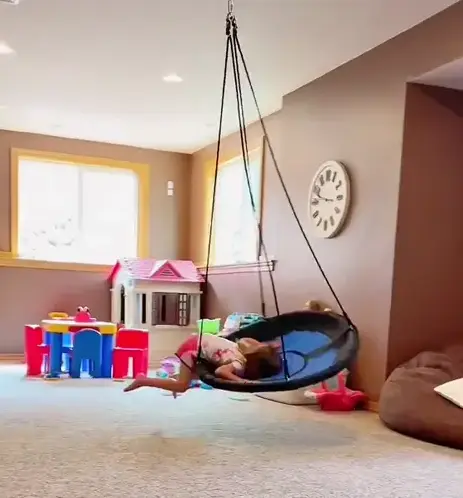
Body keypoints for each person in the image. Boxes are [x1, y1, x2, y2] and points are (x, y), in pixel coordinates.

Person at [123, 333, 281, 394]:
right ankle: (143, 380)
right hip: (193, 349)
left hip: (198, 340)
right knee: (182, 386)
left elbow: (262, 347)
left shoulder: (242, 349)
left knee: (191, 378)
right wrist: (242, 381)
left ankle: (174, 381)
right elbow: (221, 372)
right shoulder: (240, 363)